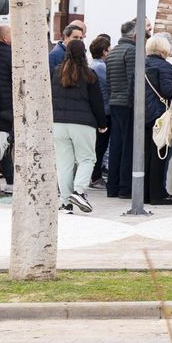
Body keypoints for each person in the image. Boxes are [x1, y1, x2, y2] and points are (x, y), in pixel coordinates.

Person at [51, 37, 107, 213]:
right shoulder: (89, 74)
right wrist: (102, 124)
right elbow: (97, 102)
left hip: (58, 123)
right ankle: (79, 191)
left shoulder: (56, 72)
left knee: (64, 164)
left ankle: (65, 202)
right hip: (83, 124)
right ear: (84, 54)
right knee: (87, 159)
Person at [142, 35, 172, 206]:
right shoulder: (165, 66)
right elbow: (170, 91)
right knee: (160, 155)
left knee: (145, 156)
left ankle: (145, 193)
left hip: (142, 117)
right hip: (161, 116)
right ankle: (158, 194)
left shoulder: (140, 65)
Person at [105, 21, 138, 198]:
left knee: (116, 145)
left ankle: (113, 186)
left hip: (115, 102)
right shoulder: (131, 51)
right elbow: (134, 80)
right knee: (128, 146)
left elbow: (110, 82)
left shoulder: (113, 52)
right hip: (127, 104)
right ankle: (125, 188)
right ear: (134, 35)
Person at [87, 35, 112, 190]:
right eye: (108, 50)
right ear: (104, 51)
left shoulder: (93, 65)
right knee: (100, 146)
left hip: (99, 110)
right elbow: (109, 86)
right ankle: (96, 176)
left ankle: (95, 175)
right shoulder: (101, 68)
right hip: (104, 111)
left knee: (98, 145)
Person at [0, 24, 15, 183]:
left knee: (1, 142)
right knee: (7, 143)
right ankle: (10, 177)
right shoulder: (11, 54)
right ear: (5, 38)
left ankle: (9, 176)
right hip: (8, 105)